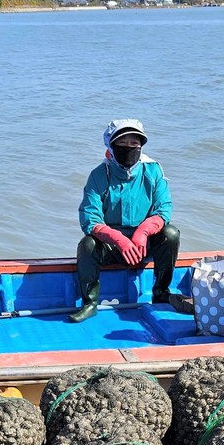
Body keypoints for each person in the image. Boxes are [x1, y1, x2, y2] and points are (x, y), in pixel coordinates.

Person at [69, 119, 179, 323]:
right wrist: (118, 238)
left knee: (171, 234)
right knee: (87, 244)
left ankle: (161, 292)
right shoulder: (98, 175)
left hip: (144, 245)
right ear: (111, 146)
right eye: (122, 143)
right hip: (111, 246)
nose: (129, 147)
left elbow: (164, 209)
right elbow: (89, 218)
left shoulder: (153, 170)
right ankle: (90, 303)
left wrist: (143, 232)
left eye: (134, 143)